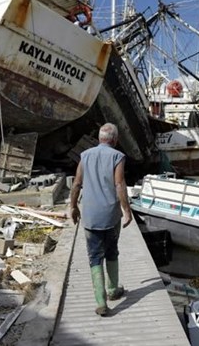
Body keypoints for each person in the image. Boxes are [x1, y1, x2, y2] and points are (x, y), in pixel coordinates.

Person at [69, 122, 133, 316]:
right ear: (115, 140)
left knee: (94, 256)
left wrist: (72, 206)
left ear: (99, 138)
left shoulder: (85, 156)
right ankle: (113, 290)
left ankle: (100, 302)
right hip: (111, 215)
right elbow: (119, 184)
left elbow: (77, 183)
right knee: (112, 250)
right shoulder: (117, 156)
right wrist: (127, 210)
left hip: (90, 215)